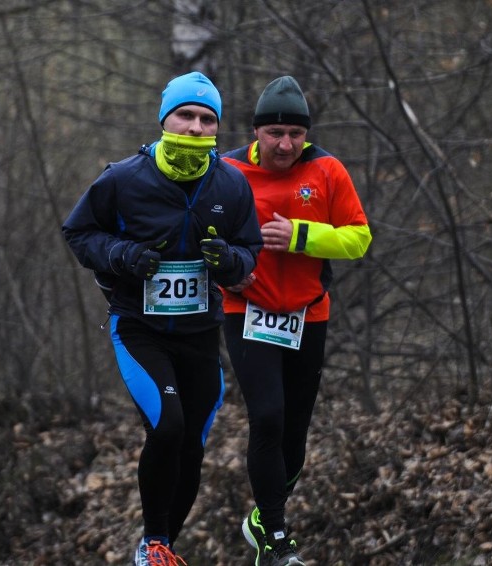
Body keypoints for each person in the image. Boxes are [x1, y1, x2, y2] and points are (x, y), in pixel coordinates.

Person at [62, 71, 262, 566]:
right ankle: (150, 545)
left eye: (206, 119)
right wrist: (124, 255)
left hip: (199, 333)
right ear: (164, 118)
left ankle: (163, 549)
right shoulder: (124, 178)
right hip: (139, 329)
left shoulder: (232, 184)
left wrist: (229, 262)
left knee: (192, 444)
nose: (195, 127)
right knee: (168, 426)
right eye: (186, 115)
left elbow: (249, 251)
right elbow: (79, 233)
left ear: (216, 128)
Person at [220, 76, 372, 565]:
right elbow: (202, 236)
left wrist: (302, 236)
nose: (286, 144)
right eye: (275, 133)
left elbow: (358, 239)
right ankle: (277, 541)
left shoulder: (327, 171)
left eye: (295, 134)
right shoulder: (227, 171)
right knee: (267, 416)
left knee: (295, 437)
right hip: (246, 310)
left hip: (308, 314)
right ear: (256, 133)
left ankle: (262, 517)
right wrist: (228, 271)